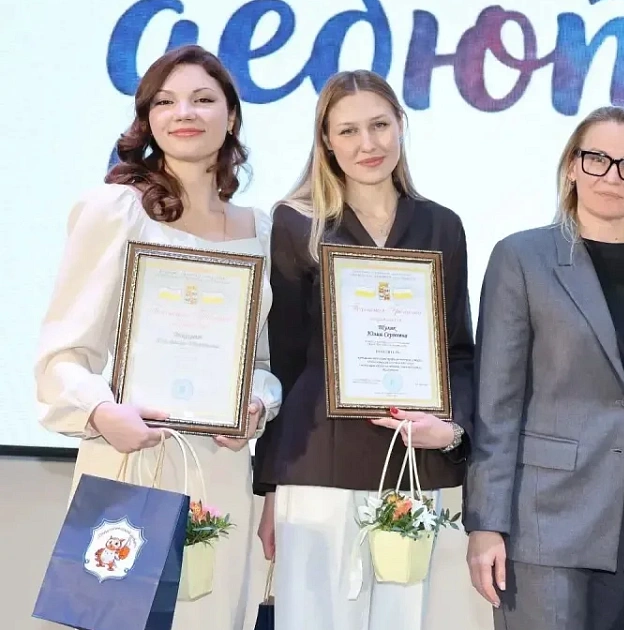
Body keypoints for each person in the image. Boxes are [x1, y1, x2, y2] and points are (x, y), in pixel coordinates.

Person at [32, 45, 281, 630]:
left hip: (218, 470)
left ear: (231, 116)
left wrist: (256, 404)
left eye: (202, 99)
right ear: (148, 118)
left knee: (208, 617)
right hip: (130, 459)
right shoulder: (116, 210)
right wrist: (102, 413)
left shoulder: (261, 230)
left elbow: (264, 362)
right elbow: (62, 356)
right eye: (165, 102)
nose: (184, 113)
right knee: (112, 619)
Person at [464, 105, 624, 630]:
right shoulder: (521, 258)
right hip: (542, 525)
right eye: (597, 159)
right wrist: (485, 523)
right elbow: (495, 406)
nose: (612, 176)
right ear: (572, 166)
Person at [251, 70, 475, 630]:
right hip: (315, 463)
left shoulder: (442, 226)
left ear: (401, 125)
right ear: (326, 141)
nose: (367, 144)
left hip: (410, 461)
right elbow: (284, 358)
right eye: (348, 131)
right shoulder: (296, 223)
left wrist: (451, 430)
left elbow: (457, 351)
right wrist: (271, 486)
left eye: (379, 125)